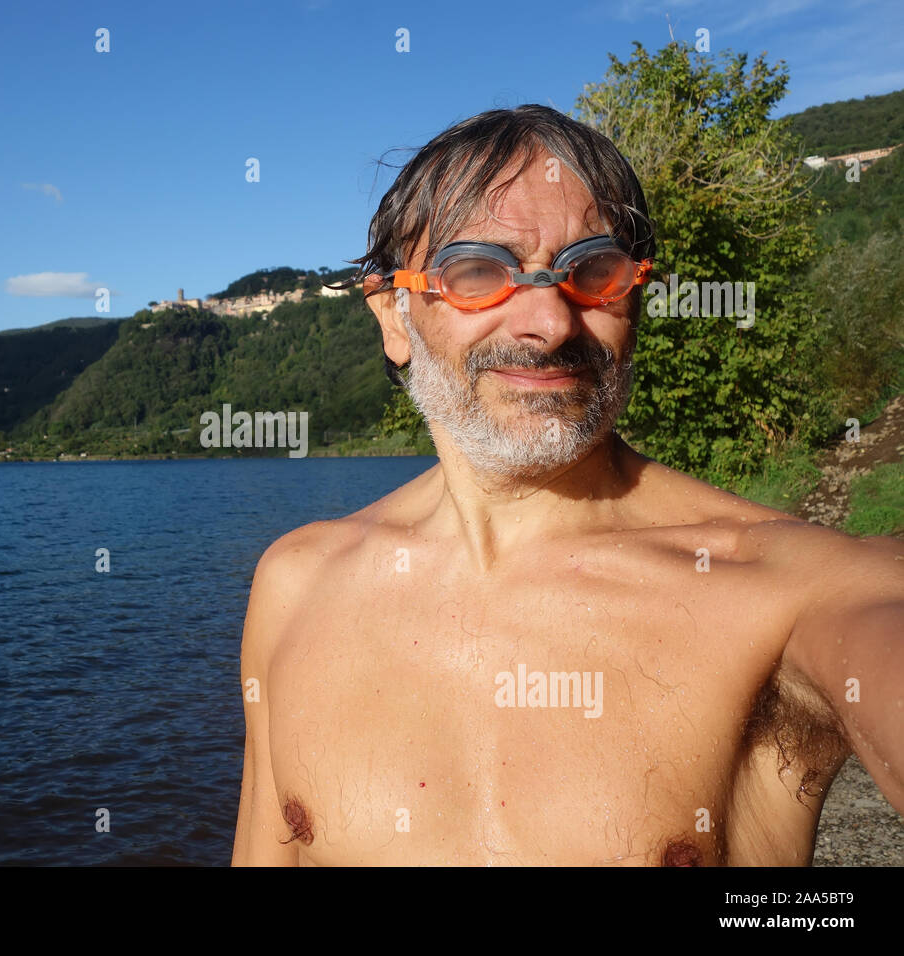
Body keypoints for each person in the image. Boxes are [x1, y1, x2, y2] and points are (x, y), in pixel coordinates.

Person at [230, 104, 903, 866]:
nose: (548, 322)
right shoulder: (296, 583)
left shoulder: (787, 590)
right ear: (394, 314)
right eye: (478, 272)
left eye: (593, 272)